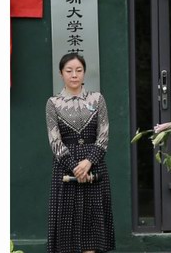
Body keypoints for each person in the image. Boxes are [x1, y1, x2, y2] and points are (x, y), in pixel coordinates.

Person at [45, 53, 115, 253]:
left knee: (92, 232)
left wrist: (89, 162)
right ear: (61, 74)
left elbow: (103, 136)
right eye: (69, 71)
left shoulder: (97, 99)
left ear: (84, 73)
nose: (74, 75)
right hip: (65, 170)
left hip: (95, 167)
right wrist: (75, 167)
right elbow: (55, 141)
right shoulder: (53, 104)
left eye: (79, 70)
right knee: (66, 231)